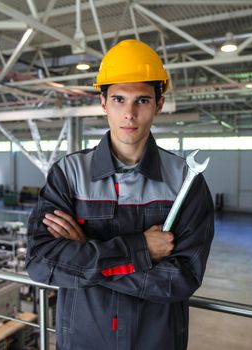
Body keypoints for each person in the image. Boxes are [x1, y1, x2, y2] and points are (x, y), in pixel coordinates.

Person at [26, 39, 214, 350]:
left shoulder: (186, 180)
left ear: (159, 104)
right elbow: (40, 262)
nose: (129, 114)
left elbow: (180, 280)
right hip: (83, 342)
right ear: (102, 102)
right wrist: (139, 249)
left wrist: (85, 253)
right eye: (118, 99)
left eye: (141, 100)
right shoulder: (69, 174)